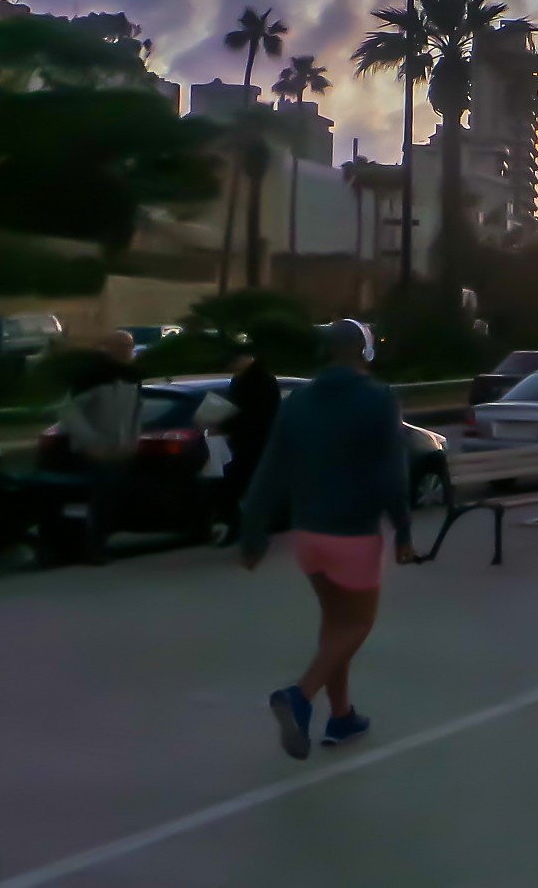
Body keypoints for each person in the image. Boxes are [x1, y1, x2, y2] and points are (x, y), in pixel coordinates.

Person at [241, 320, 417, 759]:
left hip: (308, 533)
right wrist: (404, 530)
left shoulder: (299, 400)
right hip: (353, 532)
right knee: (357, 624)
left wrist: (253, 531)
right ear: (365, 351)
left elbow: (271, 467)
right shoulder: (378, 398)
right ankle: (299, 696)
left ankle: (341, 717)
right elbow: (392, 474)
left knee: (334, 624)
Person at [57, 330, 144, 564]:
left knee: (114, 498)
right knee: (98, 499)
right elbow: (68, 411)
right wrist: (91, 443)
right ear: (107, 347)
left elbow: (137, 412)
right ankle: (90, 547)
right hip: (93, 451)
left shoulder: (132, 377)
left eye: (129, 346)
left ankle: (101, 543)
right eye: (120, 346)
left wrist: (133, 443)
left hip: (120, 450)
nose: (126, 351)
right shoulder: (91, 376)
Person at [217, 347, 283, 546]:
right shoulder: (243, 380)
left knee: (243, 488)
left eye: (237, 360)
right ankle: (245, 529)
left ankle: (246, 531)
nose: (234, 365)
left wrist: (225, 424)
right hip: (246, 443)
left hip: (254, 443)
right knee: (241, 489)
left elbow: (254, 415)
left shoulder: (259, 382)